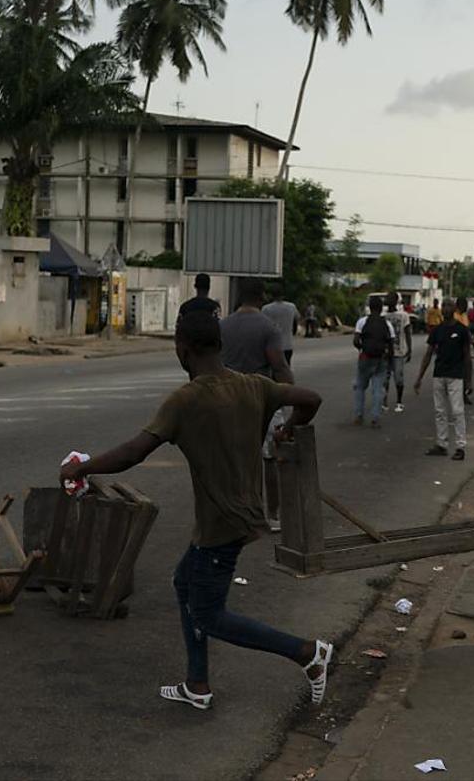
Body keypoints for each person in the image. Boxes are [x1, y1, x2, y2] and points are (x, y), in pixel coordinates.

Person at [59, 310, 334, 709]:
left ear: (182, 350)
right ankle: (197, 684)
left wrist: (81, 466)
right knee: (184, 582)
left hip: (222, 524)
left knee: (208, 614)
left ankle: (308, 653)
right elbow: (311, 399)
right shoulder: (254, 386)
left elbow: (135, 451)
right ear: (219, 346)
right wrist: (289, 426)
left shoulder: (185, 400)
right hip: (238, 515)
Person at [221, 278, 293, 532]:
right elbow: (280, 366)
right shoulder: (268, 327)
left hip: (227, 400)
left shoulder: (223, 325)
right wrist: (289, 399)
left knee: (233, 461)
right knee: (269, 459)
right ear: (261, 297)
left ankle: (235, 512)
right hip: (261, 401)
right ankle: (272, 515)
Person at [414, 298, 472, 461]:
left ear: (454, 308)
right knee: (440, 411)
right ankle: (442, 444)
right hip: (439, 374)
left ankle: (460, 446)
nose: (445, 309)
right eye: (443, 306)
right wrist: (419, 377)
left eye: (448, 306)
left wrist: (469, 380)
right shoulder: (437, 330)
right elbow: (428, 354)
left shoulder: (461, 330)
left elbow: (467, 356)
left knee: (457, 411)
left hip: (456, 375)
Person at [352, 295, 395, 428]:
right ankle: (375, 418)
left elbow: (355, 340)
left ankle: (359, 415)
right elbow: (391, 344)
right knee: (377, 390)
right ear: (382, 308)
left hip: (365, 358)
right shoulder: (387, 324)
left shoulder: (362, 322)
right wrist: (390, 361)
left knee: (360, 387)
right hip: (380, 360)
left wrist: (362, 348)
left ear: (369, 308)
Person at [382, 292, 412, 413]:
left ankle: (399, 402)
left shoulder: (403, 316)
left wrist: (410, 349)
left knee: (399, 378)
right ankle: (384, 402)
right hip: (386, 352)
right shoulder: (383, 316)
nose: (387, 300)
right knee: (385, 379)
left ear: (395, 301)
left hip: (399, 352)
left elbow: (408, 332)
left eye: (390, 298)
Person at [262, 284, 301, 366]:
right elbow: (296, 319)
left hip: (271, 345)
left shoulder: (266, 309)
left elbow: (263, 325)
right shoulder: (291, 307)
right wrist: (293, 332)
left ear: (272, 295)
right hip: (287, 344)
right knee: (285, 367)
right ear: (283, 295)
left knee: (272, 369)